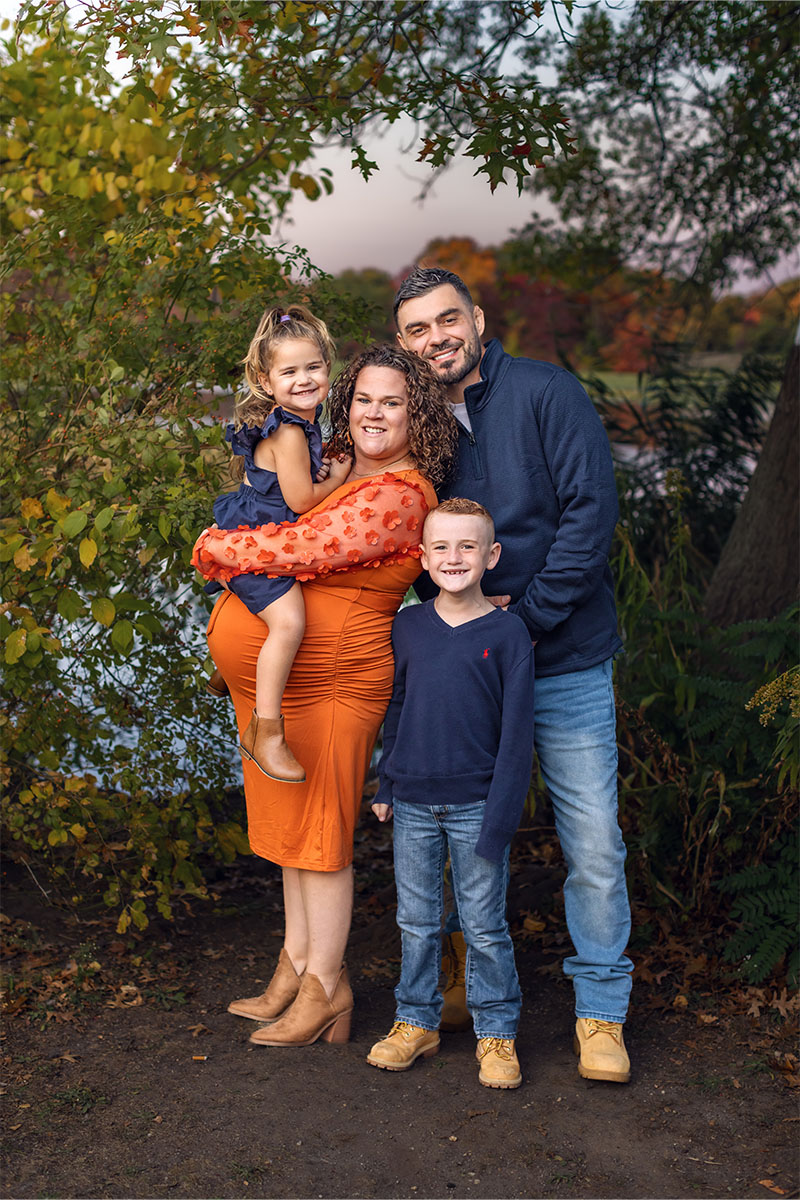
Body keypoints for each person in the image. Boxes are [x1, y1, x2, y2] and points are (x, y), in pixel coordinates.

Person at [393, 266, 633, 1085]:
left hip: (561, 657)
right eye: (417, 330)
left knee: (592, 841)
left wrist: (515, 628)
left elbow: (588, 517)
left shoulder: (546, 394)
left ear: (478, 319)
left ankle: (601, 1014)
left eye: (447, 320)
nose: (436, 338)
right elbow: (407, 545)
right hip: (467, 675)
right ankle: (458, 987)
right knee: (462, 829)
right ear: (403, 345)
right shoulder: (417, 432)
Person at [192, 343, 458, 1048]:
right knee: (290, 835)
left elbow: (303, 548)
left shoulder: (403, 495)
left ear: (417, 415)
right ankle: (295, 964)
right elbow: (278, 505)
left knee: (322, 838)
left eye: (392, 402)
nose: (374, 413)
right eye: (364, 398)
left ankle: (327, 985)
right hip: (282, 690)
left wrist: (214, 547)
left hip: (336, 682)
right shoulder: (332, 461)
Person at [367, 499, 535, 1089]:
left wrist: (500, 819)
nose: (453, 557)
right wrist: (386, 782)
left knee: (484, 925)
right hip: (412, 801)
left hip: (476, 806)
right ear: (422, 557)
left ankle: (497, 1031)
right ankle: (416, 1021)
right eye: (440, 547)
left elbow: (517, 737)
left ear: (491, 556)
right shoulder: (407, 626)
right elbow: (398, 708)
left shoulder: (509, 633)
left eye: (468, 547)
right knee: (416, 921)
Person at [203, 304, 352, 784]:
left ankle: (229, 671)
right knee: (289, 623)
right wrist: (340, 480)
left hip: (267, 534)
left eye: (313, 367)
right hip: (259, 543)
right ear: (266, 382)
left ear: (328, 369)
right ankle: (265, 732)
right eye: (289, 371)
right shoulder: (288, 429)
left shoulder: (297, 421)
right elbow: (302, 499)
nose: (304, 379)